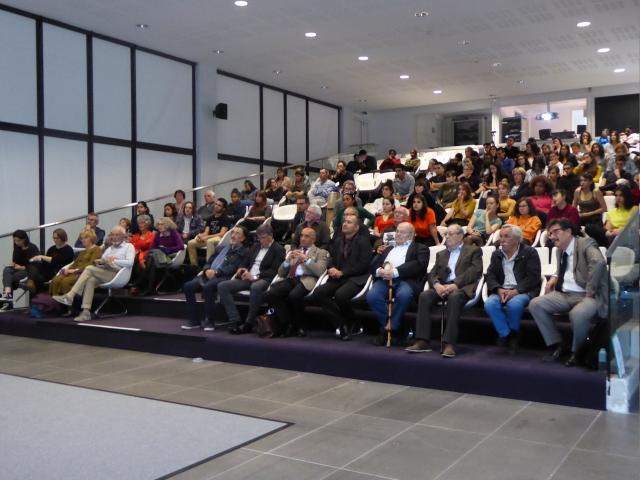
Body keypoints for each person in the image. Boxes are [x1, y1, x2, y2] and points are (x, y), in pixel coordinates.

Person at [529, 218, 607, 367]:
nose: (552, 236)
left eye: (555, 232)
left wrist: (590, 291)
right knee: (536, 304)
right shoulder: (560, 250)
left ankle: (577, 352)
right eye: (550, 233)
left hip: (587, 295)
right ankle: (557, 344)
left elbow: (598, 263)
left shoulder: (586, 243)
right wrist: (554, 277)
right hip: (565, 294)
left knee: (577, 314)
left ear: (569, 231)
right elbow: (565, 268)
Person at [405, 224, 482, 357]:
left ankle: (449, 343)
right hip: (442, 287)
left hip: (461, 288)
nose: (446, 236)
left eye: (450, 234)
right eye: (446, 234)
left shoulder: (473, 251)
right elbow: (432, 273)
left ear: (460, 236)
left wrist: (455, 284)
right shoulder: (441, 254)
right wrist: (436, 284)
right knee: (424, 295)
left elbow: (475, 271)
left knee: (454, 297)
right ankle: (422, 340)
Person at [308, 215, 372, 340]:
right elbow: (330, 257)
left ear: (356, 227)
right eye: (344, 221)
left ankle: (354, 322)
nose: (345, 224)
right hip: (338, 276)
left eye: (349, 222)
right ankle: (340, 324)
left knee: (340, 295)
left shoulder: (363, 241)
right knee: (319, 292)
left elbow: (363, 265)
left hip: (356, 277)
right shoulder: (338, 240)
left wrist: (342, 272)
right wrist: (330, 268)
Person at [52, 226, 135, 322]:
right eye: (113, 235)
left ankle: (70, 295)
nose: (114, 237)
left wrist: (115, 260)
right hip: (105, 271)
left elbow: (130, 263)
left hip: (118, 274)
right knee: (90, 280)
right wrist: (101, 262)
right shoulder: (110, 249)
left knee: (88, 268)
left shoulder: (129, 247)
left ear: (123, 236)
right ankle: (86, 312)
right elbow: (102, 260)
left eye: (117, 235)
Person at [367, 223, 428, 345]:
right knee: (372, 296)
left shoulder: (420, 248)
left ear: (411, 235)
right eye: (397, 231)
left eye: (402, 232)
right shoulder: (388, 248)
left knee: (403, 295)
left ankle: (389, 327)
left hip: (406, 280)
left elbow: (419, 265)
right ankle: (396, 327)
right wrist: (380, 271)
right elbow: (374, 264)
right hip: (384, 279)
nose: (398, 234)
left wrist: (395, 272)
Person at [219, 224, 285, 334]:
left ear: (270, 236)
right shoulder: (255, 246)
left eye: (262, 237)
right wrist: (241, 269)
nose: (260, 240)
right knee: (223, 286)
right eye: (258, 237)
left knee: (256, 287)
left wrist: (255, 276)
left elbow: (274, 271)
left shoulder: (278, 249)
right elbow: (246, 261)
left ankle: (248, 323)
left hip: (264, 279)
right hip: (247, 277)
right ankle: (235, 319)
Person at [484, 225, 541, 352]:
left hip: (522, 290)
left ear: (516, 239)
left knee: (515, 304)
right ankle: (508, 334)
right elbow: (490, 275)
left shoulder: (530, 252)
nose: (502, 240)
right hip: (502, 289)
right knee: (490, 304)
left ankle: (510, 333)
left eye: (506, 236)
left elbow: (533, 277)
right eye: (501, 236)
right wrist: (498, 289)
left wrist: (516, 291)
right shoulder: (496, 254)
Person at [180, 226, 249, 331]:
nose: (234, 236)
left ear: (243, 238)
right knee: (188, 286)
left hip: (224, 276)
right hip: (209, 274)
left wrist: (216, 272)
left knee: (208, 287)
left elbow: (234, 267)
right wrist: (207, 269)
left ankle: (210, 320)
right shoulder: (221, 248)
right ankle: (194, 320)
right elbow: (209, 261)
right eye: (233, 233)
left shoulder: (244, 252)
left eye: (237, 234)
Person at [264, 228, 329, 337]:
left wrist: (307, 260)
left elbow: (320, 271)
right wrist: (287, 260)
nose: (302, 238)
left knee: (294, 296)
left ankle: (299, 326)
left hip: (307, 280)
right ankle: (286, 323)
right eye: (301, 235)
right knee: (271, 293)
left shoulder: (321, 252)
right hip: (291, 279)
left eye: (306, 236)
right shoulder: (295, 252)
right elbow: (281, 273)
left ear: (313, 239)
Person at [130, 217, 184, 296]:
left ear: (167, 225)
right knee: (152, 259)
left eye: (162, 224)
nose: (159, 226)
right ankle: (149, 288)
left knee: (152, 259)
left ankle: (139, 284)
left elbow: (181, 246)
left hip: (170, 256)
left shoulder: (173, 233)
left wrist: (167, 249)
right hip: (159, 256)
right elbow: (152, 247)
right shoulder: (158, 234)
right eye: (158, 224)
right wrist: (160, 249)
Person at [49, 228, 102, 296]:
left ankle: (67, 302)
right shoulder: (82, 252)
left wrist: (74, 270)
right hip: (74, 271)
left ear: (91, 238)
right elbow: (75, 263)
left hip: (84, 273)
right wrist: (68, 269)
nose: (83, 240)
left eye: (85, 238)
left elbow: (91, 264)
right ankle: (55, 301)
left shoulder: (97, 249)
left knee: (66, 281)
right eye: (82, 238)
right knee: (56, 280)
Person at [26, 228, 74, 294]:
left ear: (63, 238)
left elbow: (57, 261)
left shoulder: (68, 250)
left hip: (58, 272)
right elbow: (45, 262)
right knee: (33, 265)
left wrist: (42, 257)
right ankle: (30, 281)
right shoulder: (51, 249)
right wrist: (38, 259)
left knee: (38, 278)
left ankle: (37, 294)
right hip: (47, 270)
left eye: (57, 238)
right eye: (54, 238)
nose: (55, 240)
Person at [1, 230, 39, 310]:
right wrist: (13, 264)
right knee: (6, 270)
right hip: (18, 268)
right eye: (14, 240)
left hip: (28, 270)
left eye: (18, 240)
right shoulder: (17, 247)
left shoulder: (33, 248)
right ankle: (8, 291)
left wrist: (21, 267)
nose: (16, 242)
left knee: (8, 278)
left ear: (24, 239)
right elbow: (15, 260)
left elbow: (35, 265)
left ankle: (8, 299)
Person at [187, 198, 233, 265]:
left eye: (219, 205)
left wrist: (207, 237)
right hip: (209, 238)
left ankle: (208, 265)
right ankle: (194, 266)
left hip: (220, 239)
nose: (216, 206)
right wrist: (201, 236)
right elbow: (206, 232)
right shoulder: (210, 218)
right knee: (190, 243)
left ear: (223, 209)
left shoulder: (225, 218)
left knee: (210, 241)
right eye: (216, 204)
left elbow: (222, 234)